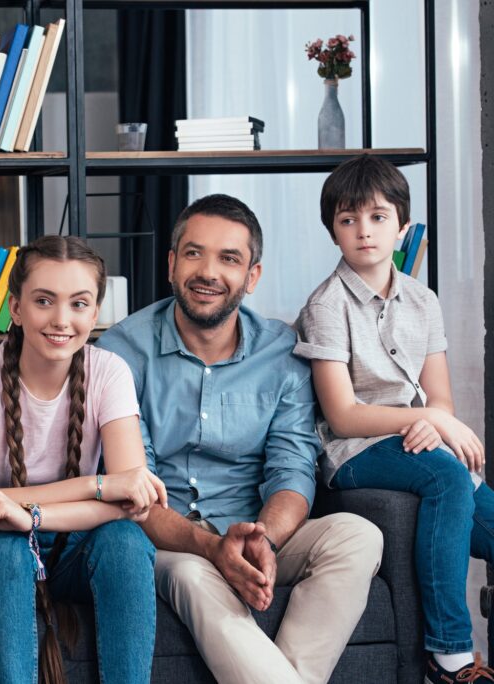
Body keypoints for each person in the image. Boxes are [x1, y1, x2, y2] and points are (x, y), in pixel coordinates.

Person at [97, 194, 383, 684]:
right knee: (191, 573)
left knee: (358, 535)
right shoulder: (121, 350)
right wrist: (210, 546)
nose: (208, 271)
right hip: (167, 541)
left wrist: (263, 539)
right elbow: (133, 488)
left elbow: (292, 468)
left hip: (253, 530)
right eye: (193, 253)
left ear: (252, 276)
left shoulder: (282, 352)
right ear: (171, 263)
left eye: (229, 258)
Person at [294, 155, 494, 682]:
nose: (364, 231)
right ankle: (450, 653)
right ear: (333, 230)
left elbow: (441, 400)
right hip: (354, 452)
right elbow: (342, 415)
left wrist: (433, 420)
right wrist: (423, 421)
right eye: (348, 219)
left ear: (403, 225)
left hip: (413, 442)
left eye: (379, 217)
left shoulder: (423, 302)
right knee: (450, 476)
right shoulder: (325, 305)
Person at [0, 235, 164, 684]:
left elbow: (133, 503)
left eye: (79, 304)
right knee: (2, 547)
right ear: (17, 309)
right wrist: (95, 485)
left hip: (71, 545)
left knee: (125, 541)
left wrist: (29, 514)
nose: (62, 320)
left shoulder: (109, 372)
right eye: (44, 301)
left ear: (95, 313)